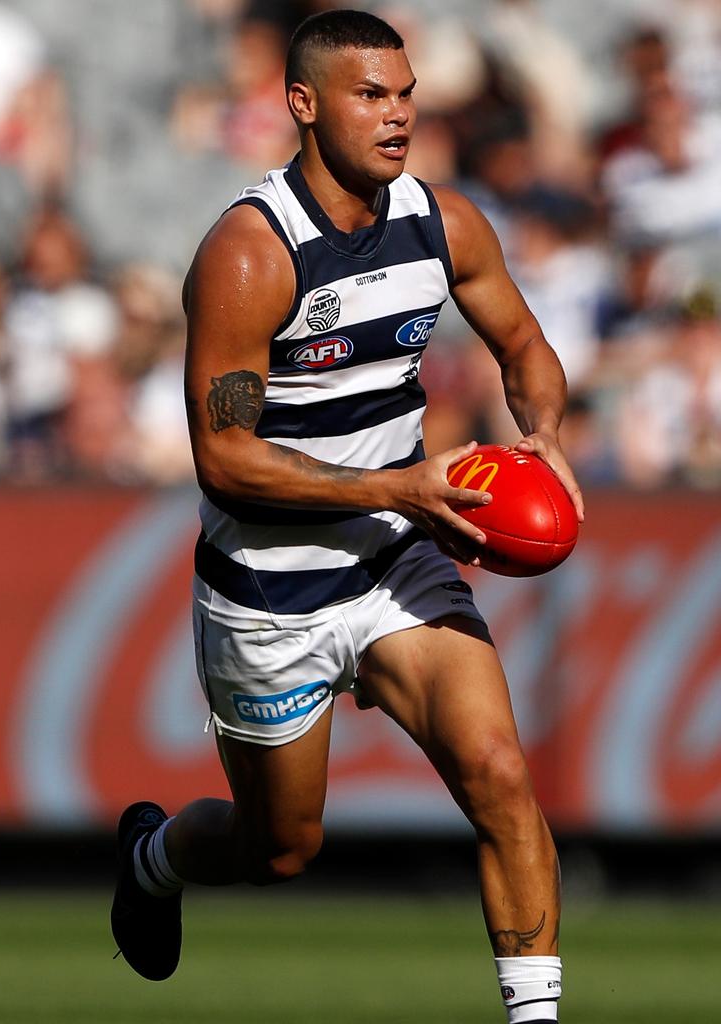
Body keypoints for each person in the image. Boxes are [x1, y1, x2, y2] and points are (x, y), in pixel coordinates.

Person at [111, 11, 584, 1024]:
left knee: (502, 775)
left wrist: (541, 433)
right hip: (272, 589)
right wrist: (398, 487)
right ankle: (153, 858)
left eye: (406, 93)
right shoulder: (250, 252)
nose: (398, 114)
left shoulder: (445, 222)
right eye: (372, 95)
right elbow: (225, 459)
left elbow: (526, 347)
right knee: (278, 848)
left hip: (397, 561)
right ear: (303, 104)